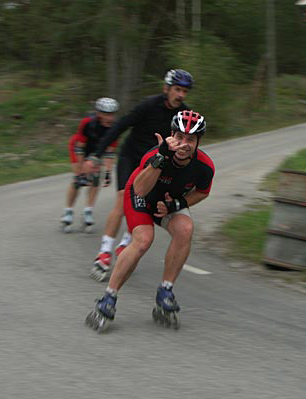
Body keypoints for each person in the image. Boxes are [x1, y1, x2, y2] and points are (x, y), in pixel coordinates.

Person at [85, 110, 214, 332]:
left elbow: (202, 192)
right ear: (171, 134)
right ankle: (109, 296)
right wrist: (161, 157)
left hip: (167, 203)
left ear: (198, 142)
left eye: (190, 140)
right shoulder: (156, 153)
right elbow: (140, 189)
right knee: (144, 240)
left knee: (186, 228)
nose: (183, 144)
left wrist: (176, 205)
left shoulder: (205, 166)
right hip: (140, 197)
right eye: (179, 137)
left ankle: (165, 290)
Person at [84, 69, 193, 280]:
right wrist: (96, 154)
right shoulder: (149, 105)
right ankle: (104, 252)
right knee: (122, 199)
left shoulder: (183, 114)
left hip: (154, 164)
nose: (180, 95)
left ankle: (125, 245)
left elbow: (190, 142)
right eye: (177, 89)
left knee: (147, 203)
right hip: (130, 157)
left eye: (185, 91)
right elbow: (120, 126)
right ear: (166, 89)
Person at [60, 97, 119, 233]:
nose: (110, 118)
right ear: (99, 114)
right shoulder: (88, 123)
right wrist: (81, 169)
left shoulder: (115, 128)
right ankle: (68, 211)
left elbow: (110, 152)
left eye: (112, 114)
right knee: (78, 180)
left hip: (95, 151)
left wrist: (108, 173)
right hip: (79, 147)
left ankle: (88, 211)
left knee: (96, 178)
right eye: (106, 114)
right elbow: (79, 147)